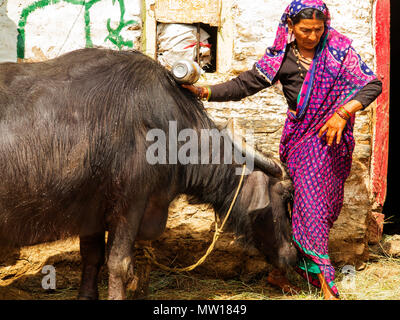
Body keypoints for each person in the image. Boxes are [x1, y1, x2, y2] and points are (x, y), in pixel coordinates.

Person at [182, 0, 382, 300]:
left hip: (334, 145)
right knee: (312, 207)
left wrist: (342, 113)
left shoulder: (340, 52)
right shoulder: (281, 59)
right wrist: (202, 91)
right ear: (290, 27)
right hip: (302, 143)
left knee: (316, 209)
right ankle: (327, 284)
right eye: (305, 30)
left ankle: (278, 272)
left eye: (318, 29)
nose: (313, 36)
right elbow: (244, 85)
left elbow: (371, 84)